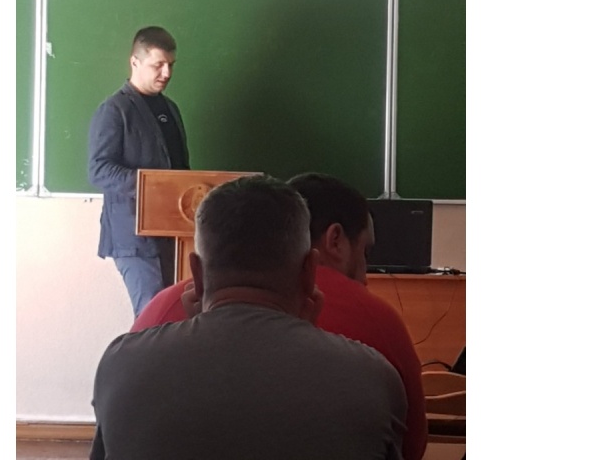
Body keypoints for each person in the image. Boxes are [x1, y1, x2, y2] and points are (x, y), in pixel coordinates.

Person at [90, 175, 407, 460]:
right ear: (310, 272)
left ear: (196, 274)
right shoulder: (372, 377)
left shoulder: (120, 363)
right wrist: (309, 338)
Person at [87, 26, 189, 318]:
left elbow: (180, 170)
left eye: (171, 65)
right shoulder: (114, 109)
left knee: (174, 316)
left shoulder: (171, 109)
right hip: (134, 237)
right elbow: (99, 169)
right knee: (151, 318)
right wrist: (154, 185)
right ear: (135, 62)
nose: (167, 73)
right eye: (158, 65)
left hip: (173, 234)